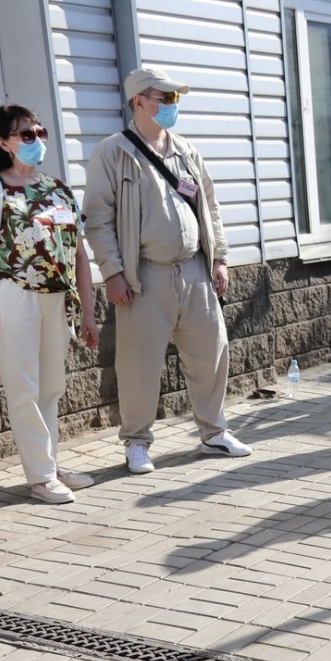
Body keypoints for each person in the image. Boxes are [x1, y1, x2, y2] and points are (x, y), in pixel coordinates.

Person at [83, 67, 252, 474]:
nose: (173, 106)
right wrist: (112, 272)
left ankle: (213, 432)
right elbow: (97, 219)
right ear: (139, 101)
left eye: (176, 99)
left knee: (211, 354)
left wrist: (219, 257)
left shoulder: (186, 150)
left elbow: (209, 206)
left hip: (194, 269)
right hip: (145, 276)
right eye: (165, 98)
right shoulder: (113, 151)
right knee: (139, 364)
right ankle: (137, 442)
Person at [0, 105, 102, 504]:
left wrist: (89, 311)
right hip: (16, 295)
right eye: (26, 134)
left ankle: (50, 463)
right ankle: (40, 476)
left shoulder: (57, 188)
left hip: (57, 297)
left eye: (40, 132)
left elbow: (78, 253)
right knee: (23, 386)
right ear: (4, 142)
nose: (37, 140)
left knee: (51, 385)